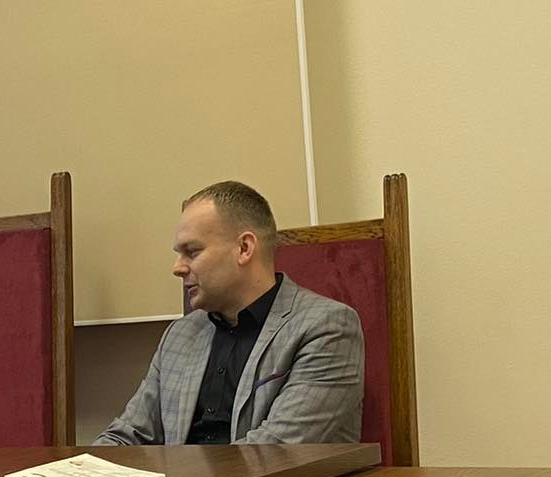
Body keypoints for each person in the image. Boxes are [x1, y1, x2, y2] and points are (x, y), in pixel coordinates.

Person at [94, 181, 363, 446]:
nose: (177, 268)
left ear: (244, 248)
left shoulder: (326, 328)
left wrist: (179, 474)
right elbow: (128, 435)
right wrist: (83, 470)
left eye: (192, 252)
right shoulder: (180, 334)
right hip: (180, 474)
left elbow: (277, 449)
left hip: (267, 476)